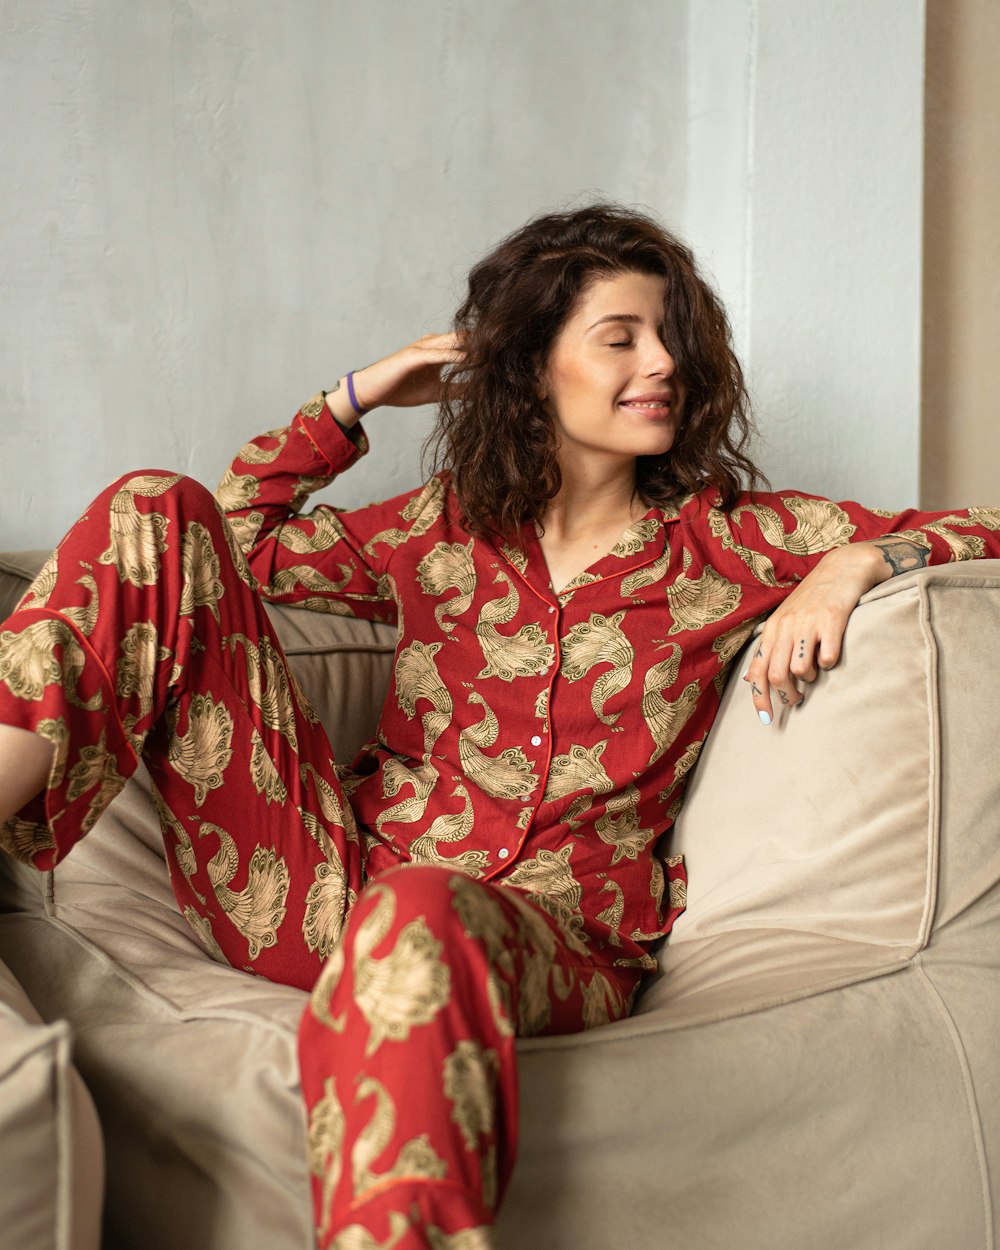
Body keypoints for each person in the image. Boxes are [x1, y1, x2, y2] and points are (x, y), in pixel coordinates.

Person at [2, 203, 999, 1250]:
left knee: (421, 912)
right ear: (530, 368)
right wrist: (351, 403)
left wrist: (852, 564)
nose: (662, 360)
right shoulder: (438, 529)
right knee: (153, 506)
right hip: (322, 888)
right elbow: (230, 539)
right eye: (621, 336)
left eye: (671, 335)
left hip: (546, 934)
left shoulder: (731, 544)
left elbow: (980, 520)